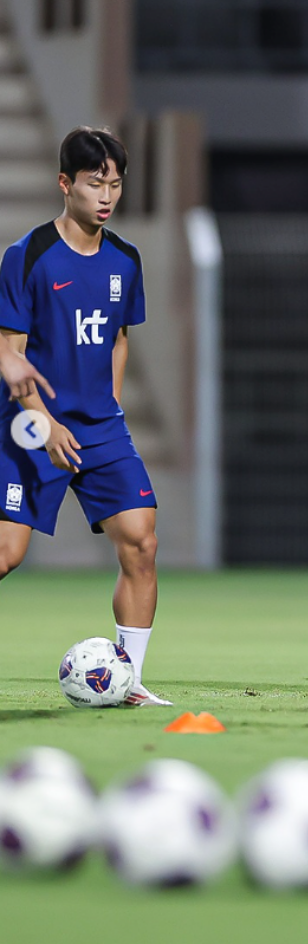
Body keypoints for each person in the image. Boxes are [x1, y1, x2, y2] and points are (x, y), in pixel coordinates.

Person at [0, 126, 168, 706]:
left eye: (115, 184)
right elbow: (10, 354)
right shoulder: (28, 257)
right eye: (96, 183)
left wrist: (111, 406)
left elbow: (119, 338)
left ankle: (129, 682)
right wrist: (45, 423)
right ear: (64, 184)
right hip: (30, 423)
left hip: (99, 428)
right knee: (7, 553)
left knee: (140, 541)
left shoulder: (125, 258)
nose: (107, 196)